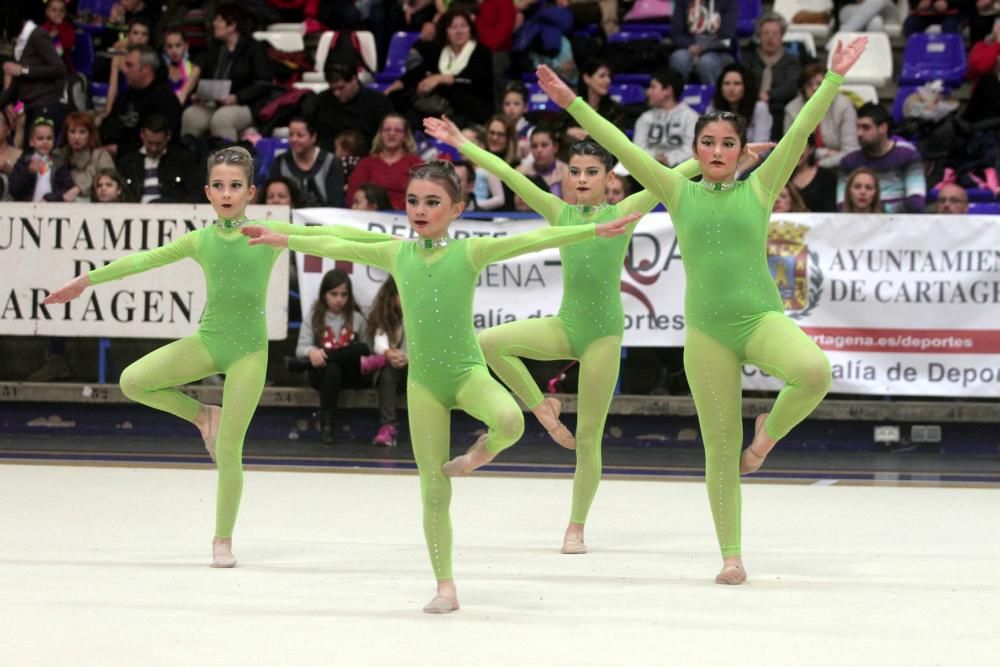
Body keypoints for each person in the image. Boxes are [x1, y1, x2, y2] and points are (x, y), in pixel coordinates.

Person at [535, 35, 868, 585]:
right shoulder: (677, 190)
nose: (716, 151)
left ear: (742, 151)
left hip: (760, 319)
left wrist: (833, 77)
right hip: (708, 336)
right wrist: (571, 102)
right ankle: (731, 555)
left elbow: (801, 131)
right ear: (697, 149)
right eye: (707, 142)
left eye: (727, 143)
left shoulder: (761, 187)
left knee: (814, 372)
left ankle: (767, 436)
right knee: (719, 451)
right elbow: (618, 141)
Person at [241, 161, 636, 613]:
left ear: (457, 209)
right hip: (424, 384)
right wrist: (284, 238)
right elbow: (337, 241)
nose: (420, 210)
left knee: (511, 422)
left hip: (467, 373)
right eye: (412, 201)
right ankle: (445, 586)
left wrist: (591, 233)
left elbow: (531, 239)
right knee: (432, 489)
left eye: (432, 202)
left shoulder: (468, 253)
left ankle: (479, 453)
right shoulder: (398, 253)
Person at [43, 146, 389, 569]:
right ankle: (202, 415)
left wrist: (396, 243)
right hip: (209, 341)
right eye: (220, 186)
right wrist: (86, 281)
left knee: (230, 450)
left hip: (248, 352)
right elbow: (142, 260)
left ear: (251, 191)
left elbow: (334, 239)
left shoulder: (267, 233)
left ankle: (222, 540)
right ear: (208, 192)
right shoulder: (200, 239)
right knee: (134, 380)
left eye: (236, 186)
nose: (227, 194)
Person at [426, 115, 706, 554]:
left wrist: (716, 159)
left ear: (608, 178)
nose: (581, 179)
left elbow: (671, 177)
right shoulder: (560, 211)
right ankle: (542, 409)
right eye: (574, 171)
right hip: (566, 324)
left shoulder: (624, 212)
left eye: (591, 172)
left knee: (589, 438)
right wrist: (463, 141)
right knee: (491, 343)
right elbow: (510, 174)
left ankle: (575, 526)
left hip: (602, 337)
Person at [295, 269, 373, 445]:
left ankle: (327, 428)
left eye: (344, 295)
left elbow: (368, 350)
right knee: (332, 368)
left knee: (357, 349)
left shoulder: (357, 318)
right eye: (334, 294)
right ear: (324, 294)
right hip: (322, 374)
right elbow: (301, 348)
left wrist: (335, 355)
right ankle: (327, 426)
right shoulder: (314, 317)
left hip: (351, 374)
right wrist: (312, 352)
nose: (339, 299)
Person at [181, 3, 274, 141]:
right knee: (191, 115)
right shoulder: (215, 50)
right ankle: (190, 157)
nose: (214, 24)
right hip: (215, 102)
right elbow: (206, 77)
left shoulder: (254, 49)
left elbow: (263, 83)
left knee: (222, 119)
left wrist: (237, 97)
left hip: (245, 104)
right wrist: (200, 94)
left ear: (232, 26)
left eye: (219, 20)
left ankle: (228, 160)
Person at [394, 8, 495, 126]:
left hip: (470, 110)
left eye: (463, 26)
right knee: (408, 116)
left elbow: (475, 79)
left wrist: (440, 78)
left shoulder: (482, 52)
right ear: (445, 31)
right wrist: (395, 86)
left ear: (470, 29)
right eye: (453, 27)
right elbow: (418, 73)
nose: (459, 31)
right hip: (439, 108)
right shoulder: (439, 51)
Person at [837, 103, 926, 213]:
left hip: (899, 226)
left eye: (866, 127)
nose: (859, 133)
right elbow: (842, 206)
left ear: (883, 128)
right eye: (857, 127)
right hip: (860, 226)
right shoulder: (849, 161)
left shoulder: (908, 154)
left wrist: (873, 211)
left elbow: (916, 203)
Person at [100, 44, 182, 158]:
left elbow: (159, 142)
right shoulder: (127, 95)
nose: (124, 70)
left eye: (130, 65)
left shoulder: (165, 100)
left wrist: (119, 149)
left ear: (146, 69)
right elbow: (110, 123)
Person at [0, 14, 68, 146]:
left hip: (46, 105)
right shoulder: (19, 43)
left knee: (39, 156)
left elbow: (59, 69)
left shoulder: (38, 35)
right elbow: (15, 85)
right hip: (31, 107)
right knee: (29, 158)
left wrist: (24, 70)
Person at [784, 63, 859, 169]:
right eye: (809, 84)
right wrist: (824, 153)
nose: (814, 88)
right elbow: (790, 151)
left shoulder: (844, 106)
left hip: (840, 169)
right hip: (801, 170)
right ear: (803, 88)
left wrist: (820, 165)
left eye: (819, 84)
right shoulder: (792, 109)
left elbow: (852, 152)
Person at [742, 12, 801, 143]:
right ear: (759, 36)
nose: (770, 38)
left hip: (779, 109)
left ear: (782, 36)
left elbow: (791, 86)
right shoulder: (749, 58)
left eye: (775, 33)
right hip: (751, 106)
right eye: (766, 33)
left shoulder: (791, 61)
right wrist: (757, 95)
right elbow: (743, 81)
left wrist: (769, 95)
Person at [312, 58, 393, 153]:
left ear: (354, 79)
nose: (336, 93)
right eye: (333, 89)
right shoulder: (323, 100)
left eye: (341, 88)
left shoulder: (378, 102)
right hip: (331, 158)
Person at [118, 113, 202, 203]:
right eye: (149, 143)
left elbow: (195, 194)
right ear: (142, 134)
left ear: (168, 136)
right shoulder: (128, 162)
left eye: (158, 144)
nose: (153, 148)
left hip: (172, 213)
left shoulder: (183, 160)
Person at [346, 113, 423, 210]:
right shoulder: (366, 163)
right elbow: (353, 196)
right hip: (368, 217)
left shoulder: (416, 163)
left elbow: (422, 196)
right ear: (380, 134)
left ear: (405, 136)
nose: (391, 133)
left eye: (398, 130)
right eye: (387, 129)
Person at [268, 116, 345, 207]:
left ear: (313, 137)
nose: (294, 139)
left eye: (300, 135)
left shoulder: (331, 162)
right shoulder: (280, 162)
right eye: (291, 135)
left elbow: (336, 203)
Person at [367, 277, 408, 447]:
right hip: (394, 366)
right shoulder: (385, 316)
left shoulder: (421, 314)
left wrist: (408, 358)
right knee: (387, 371)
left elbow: (424, 344)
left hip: (416, 367)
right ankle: (388, 427)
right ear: (391, 296)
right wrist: (388, 353)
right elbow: (379, 340)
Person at [633, 65, 700, 167]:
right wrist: (654, 158)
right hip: (648, 169)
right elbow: (637, 149)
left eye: (653, 87)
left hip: (681, 171)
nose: (648, 92)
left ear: (668, 90)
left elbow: (692, 150)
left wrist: (669, 160)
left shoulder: (691, 117)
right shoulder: (644, 118)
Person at [670, 0, 737, 85]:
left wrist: (703, 48)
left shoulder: (729, 2)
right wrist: (690, 46)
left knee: (707, 62)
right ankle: (677, 96)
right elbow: (676, 34)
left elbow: (727, 38)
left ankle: (714, 97)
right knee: (679, 58)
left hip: (719, 51)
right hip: (689, 48)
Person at [8, 117, 74, 202]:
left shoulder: (59, 162)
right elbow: (14, 190)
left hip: (52, 210)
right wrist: (29, 172)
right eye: (40, 138)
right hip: (27, 211)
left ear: (54, 141)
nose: (45, 142)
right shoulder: (24, 161)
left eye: (49, 138)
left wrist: (49, 198)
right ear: (31, 141)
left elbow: (66, 188)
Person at [57, 112, 115, 201]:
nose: (77, 137)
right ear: (66, 133)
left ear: (90, 134)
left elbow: (110, 185)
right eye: (72, 132)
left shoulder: (100, 155)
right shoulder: (58, 155)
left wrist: (78, 188)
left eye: (82, 132)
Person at [708, 64, 772, 144]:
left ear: (746, 86)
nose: (731, 89)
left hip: (751, 155)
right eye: (726, 83)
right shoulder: (713, 107)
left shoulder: (760, 108)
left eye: (737, 83)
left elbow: (762, 146)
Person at [517, 126, 568, 200]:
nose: (539, 150)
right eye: (534, 146)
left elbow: (570, 207)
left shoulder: (567, 172)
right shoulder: (521, 172)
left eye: (544, 145)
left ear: (555, 147)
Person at [791, 135, 838, 213]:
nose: (796, 151)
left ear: (811, 149)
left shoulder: (826, 176)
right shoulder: (781, 179)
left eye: (801, 145)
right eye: (792, 146)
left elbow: (831, 210)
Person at [163, 27, 200, 106]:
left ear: (186, 46)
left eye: (178, 45)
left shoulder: (193, 69)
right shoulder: (163, 69)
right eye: (170, 46)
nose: (174, 50)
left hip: (185, 110)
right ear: (165, 49)